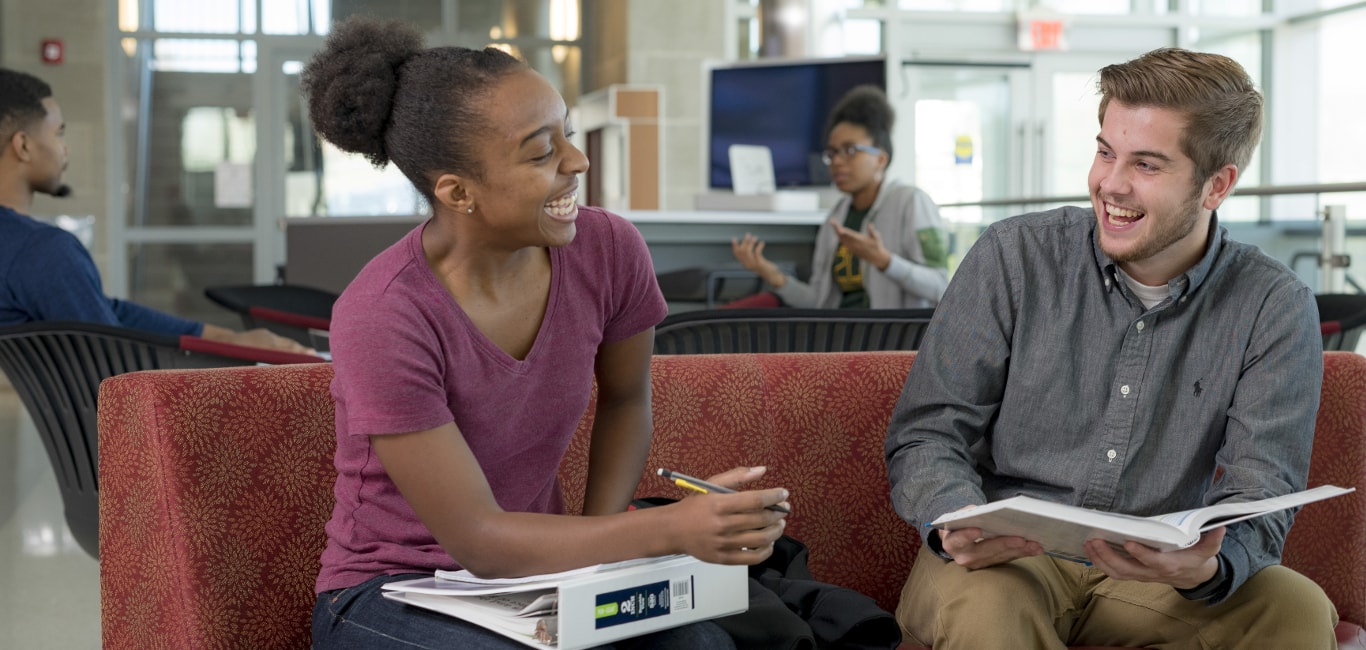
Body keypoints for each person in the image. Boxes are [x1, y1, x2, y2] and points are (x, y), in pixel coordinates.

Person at [303, 17, 789, 649]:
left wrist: (605, 551)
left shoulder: (608, 249)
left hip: (541, 573)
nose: (577, 161)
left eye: (568, 133)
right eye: (541, 152)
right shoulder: (385, 312)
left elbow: (624, 399)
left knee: (703, 647)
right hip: (393, 591)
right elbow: (477, 537)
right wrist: (670, 531)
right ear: (457, 191)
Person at [884, 47, 1337, 649]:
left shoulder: (1273, 305)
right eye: (1105, 152)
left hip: (1152, 575)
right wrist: (954, 518)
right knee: (988, 607)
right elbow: (928, 431)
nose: (1110, 184)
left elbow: (1263, 488)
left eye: (1146, 165)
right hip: (1010, 559)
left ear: (1217, 184)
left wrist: (1207, 568)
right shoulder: (1013, 258)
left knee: (1296, 607)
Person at [0, 67, 312, 354]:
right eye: (58, 133)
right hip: (125, 410)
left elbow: (107, 313)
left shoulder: (19, 247)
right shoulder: (42, 251)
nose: (64, 148)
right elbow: (110, 357)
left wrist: (219, 336)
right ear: (23, 145)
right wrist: (226, 351)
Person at [730, 85, 948, 309]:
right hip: (842, 338)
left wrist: (885, 261)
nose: (837, 161)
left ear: (881, 159)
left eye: (850, 150)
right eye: (832, 152)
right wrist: (772, 275)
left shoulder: (911, 202)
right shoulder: (836, 216)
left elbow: (941, 287)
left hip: (896, 341)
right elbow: (819, 303)